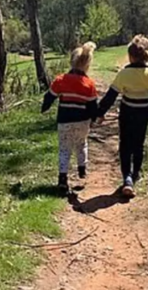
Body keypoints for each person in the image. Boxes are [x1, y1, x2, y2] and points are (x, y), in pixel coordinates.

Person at [97, 35, 148, 198]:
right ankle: (136, 173)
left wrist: (99, 112)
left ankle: (127, 178)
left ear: (130, 56)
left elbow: (110, 96)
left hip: (127, 113)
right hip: (143, 113)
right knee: (138, 144)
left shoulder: (124, 74)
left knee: (125, 145)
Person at [41, 42, 99, 193]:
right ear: (87, 64)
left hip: (64, 121)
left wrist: (44, 107)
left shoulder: (61, 80)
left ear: (71, 62)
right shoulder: (89, 84)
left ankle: (62, 178)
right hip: (82, 122)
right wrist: (95, 118)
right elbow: (93, 106)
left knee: (64, 149)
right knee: (81, 144)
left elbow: (49, 97)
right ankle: (82, 168)